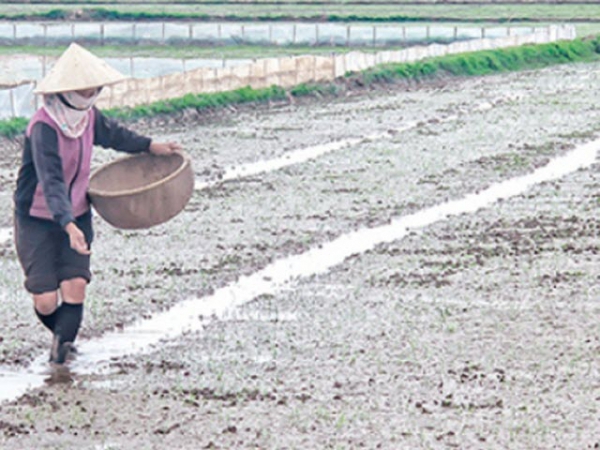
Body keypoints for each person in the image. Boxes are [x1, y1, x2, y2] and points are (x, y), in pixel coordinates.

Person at [13, 43, 181, 364]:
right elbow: (51, 182)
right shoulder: (43, 127)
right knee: (46, 299)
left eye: (93, 90)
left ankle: (61, 351)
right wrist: (67, 225)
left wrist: (150, 146)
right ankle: (61, 337)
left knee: (75, 286)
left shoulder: (87, 118)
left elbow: (115, 135)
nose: (89, 96)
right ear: (66, 90)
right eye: (84, 90)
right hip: (36, 218)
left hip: (77, 211)